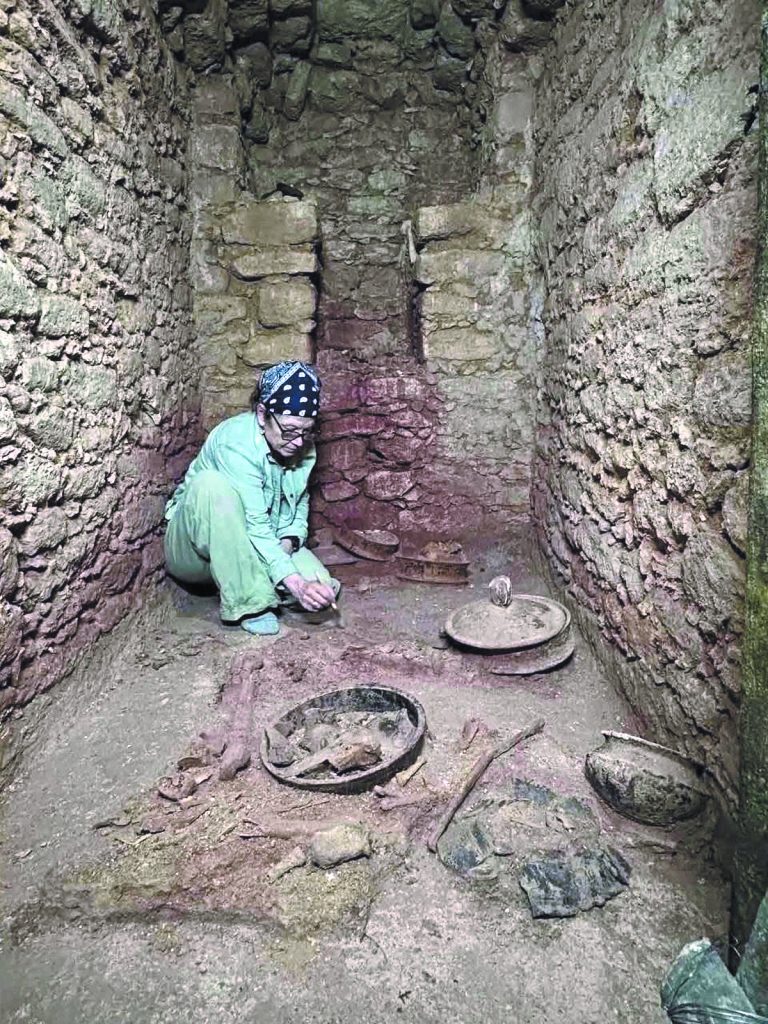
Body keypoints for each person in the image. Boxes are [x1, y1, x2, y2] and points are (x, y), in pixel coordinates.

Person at [164, 360, 338, 635]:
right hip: (196, 554)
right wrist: (294, 583)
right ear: (262, 414)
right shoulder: (235, 443)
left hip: (258, 544)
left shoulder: (302, 446)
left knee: (322, 587)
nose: (297, 441)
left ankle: (249, 580)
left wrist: (288, 545)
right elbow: (255, 525)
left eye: (306, 431)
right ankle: (250, 602)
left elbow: (300, 504)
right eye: (290, 430)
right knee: (210, 485)